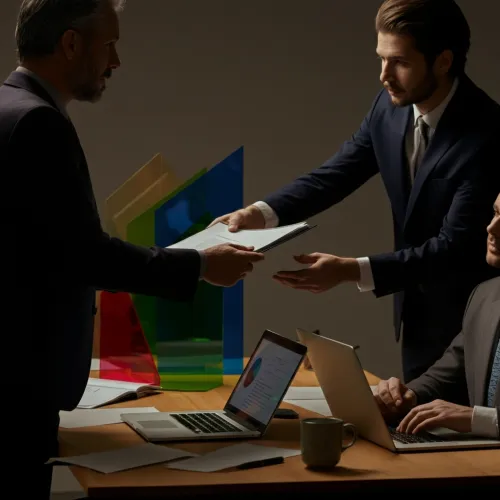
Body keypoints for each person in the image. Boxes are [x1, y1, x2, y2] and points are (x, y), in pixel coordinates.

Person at [3, 1, 263, 497]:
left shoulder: (7, 109)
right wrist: (203, 265)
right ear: (72, 44)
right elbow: (84, 256)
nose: (116, 61)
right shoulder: (37, 123)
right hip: (18, 392)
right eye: (109, 45)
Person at [211, 0, 500, 383]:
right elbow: (337, 173)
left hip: (476, 325)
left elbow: (453, 247)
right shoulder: (390, 105)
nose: (384, 75)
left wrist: (352, 270)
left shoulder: (488, 134)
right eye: (381, 58)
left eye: (399, 62)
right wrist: (260, 214)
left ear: (444, 61)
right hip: (415, 316)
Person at [373, 192, 500, 439]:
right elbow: (447, 374)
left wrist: (479, 419)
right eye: (496, 213)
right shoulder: (485, 295)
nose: (491, 228)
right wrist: (404, 397)